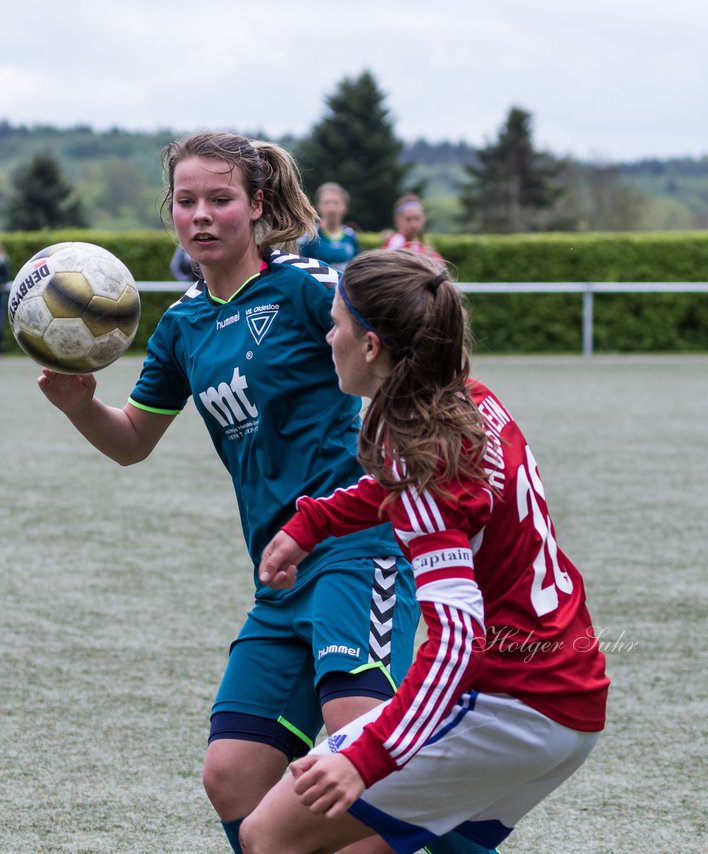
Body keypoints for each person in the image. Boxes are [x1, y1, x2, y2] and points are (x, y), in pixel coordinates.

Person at [38, 131, 432, 854]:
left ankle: (456, 829)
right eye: (186, 201)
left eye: (220, 199)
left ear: (255, 206)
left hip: (358, 548)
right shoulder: (183, 327)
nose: (202, 215)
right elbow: (132, 440)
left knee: (359, 750)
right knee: (231, 776)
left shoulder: (311, 291)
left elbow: (407, 357)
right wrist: (76, 405)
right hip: (278, 575)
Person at [239, 250, 610, 854]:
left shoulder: (421, 457)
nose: (327, 335)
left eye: (336, 323)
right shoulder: (464, 398)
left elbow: (458, 636)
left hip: (508, 704)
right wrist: (315, 522)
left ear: (370, 346)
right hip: (569, 699)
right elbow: (412, 484)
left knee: (267, 836)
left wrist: (367, 756)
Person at [299, 182, 360, 272]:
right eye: (327, 202)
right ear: (318, 206)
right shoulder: (309, 236)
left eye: (336, 202)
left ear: (345, 206)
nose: (332, 208)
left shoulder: (351, 236)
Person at [381, 194, 443, 264]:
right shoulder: (394, 244)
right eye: (408, 219)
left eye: (417, 218)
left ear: (424, 218)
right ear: (397, 219)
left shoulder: (424, 247)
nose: (414, 225)